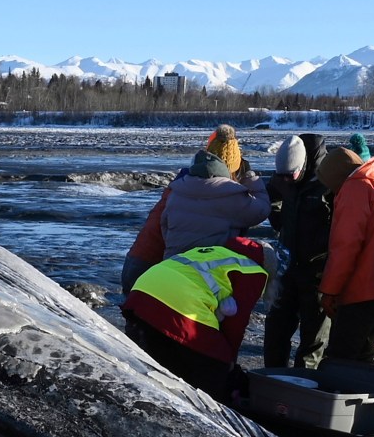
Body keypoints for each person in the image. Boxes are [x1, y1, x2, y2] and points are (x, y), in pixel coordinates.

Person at [119, 127, 268, 294]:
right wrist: (250, 178)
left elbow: (164, 226)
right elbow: (261, 210)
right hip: (190, 277)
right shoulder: (230, 195)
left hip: (160, 271)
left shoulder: (178, 188)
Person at [123, 239, 270, 401]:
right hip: (177, 306)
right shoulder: (254, 270)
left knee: (166, 351)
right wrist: (229, 361)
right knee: (215, 364)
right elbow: (236, 323)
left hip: (141, 292)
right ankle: (212, 408)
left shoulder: (211, 251)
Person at [315, 134, 374, 365]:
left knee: (341, 359)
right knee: (365, 354)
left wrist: (329, 291)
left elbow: (345, 247)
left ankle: (339, 398)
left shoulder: (355, 189)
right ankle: (366, 396)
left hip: (363, 290)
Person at [261, 133, 332, 368]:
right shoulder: (283, 174)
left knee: (313, 339)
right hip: (288, 265)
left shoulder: (329, 180)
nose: (286, 181)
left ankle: (305, 389)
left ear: (303, 167)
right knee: (275, 330)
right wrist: (281, 224)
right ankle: (271, 382)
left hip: (318, 270)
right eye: (282, 177)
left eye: (290, 176)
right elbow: (272, 199)